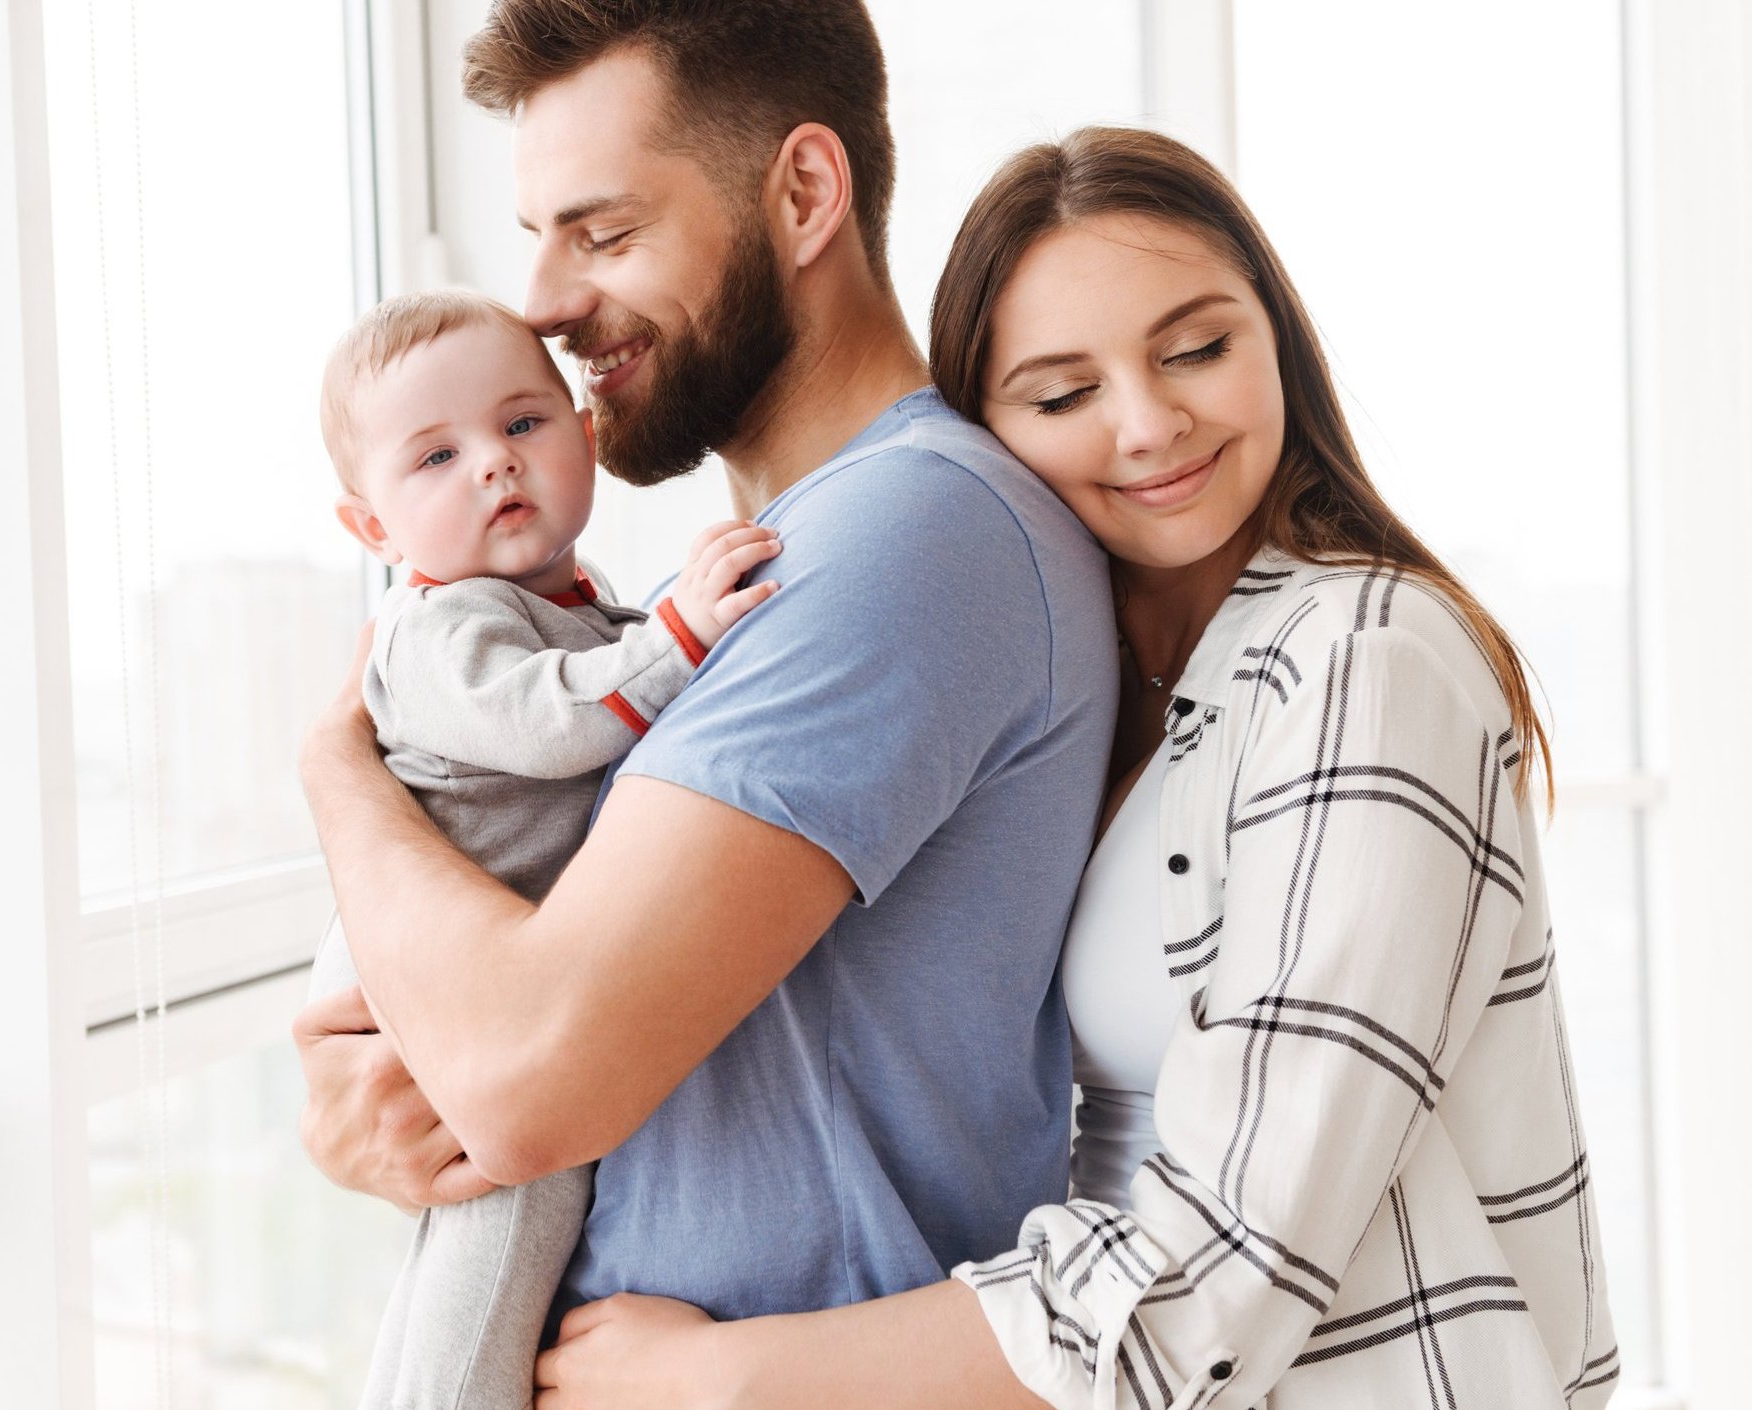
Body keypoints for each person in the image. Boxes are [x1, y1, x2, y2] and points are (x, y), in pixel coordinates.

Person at [531, 127, 1618, 1410]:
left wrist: (717, 1379)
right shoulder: (1088, 676)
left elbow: (1219, 1271)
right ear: (987, 437)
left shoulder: (1362, 659)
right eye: (1061, 395)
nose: (1150, 424)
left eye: (1198, 348)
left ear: (1276, 336)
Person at [292, 0, 1118, 1346]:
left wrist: (336, 769)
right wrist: (375, 1087)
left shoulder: (903, 534)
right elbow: (501, 1032)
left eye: (604, 233)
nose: (547, 304)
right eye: (540, 238)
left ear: (800, 193)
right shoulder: (775, 556)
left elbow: (521, 1080)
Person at [308, 287, 780, 1410]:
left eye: (523, 424)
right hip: (428, 991)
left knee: (488, 1244)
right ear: (372, 529)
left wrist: (659, 625)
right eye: (433, 457)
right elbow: (547, 721)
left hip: (478, 977)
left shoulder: (573, 602)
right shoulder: (438, 626)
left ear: (581, 432)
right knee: (500, 1233)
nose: (492, 466)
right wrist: (679, 638)